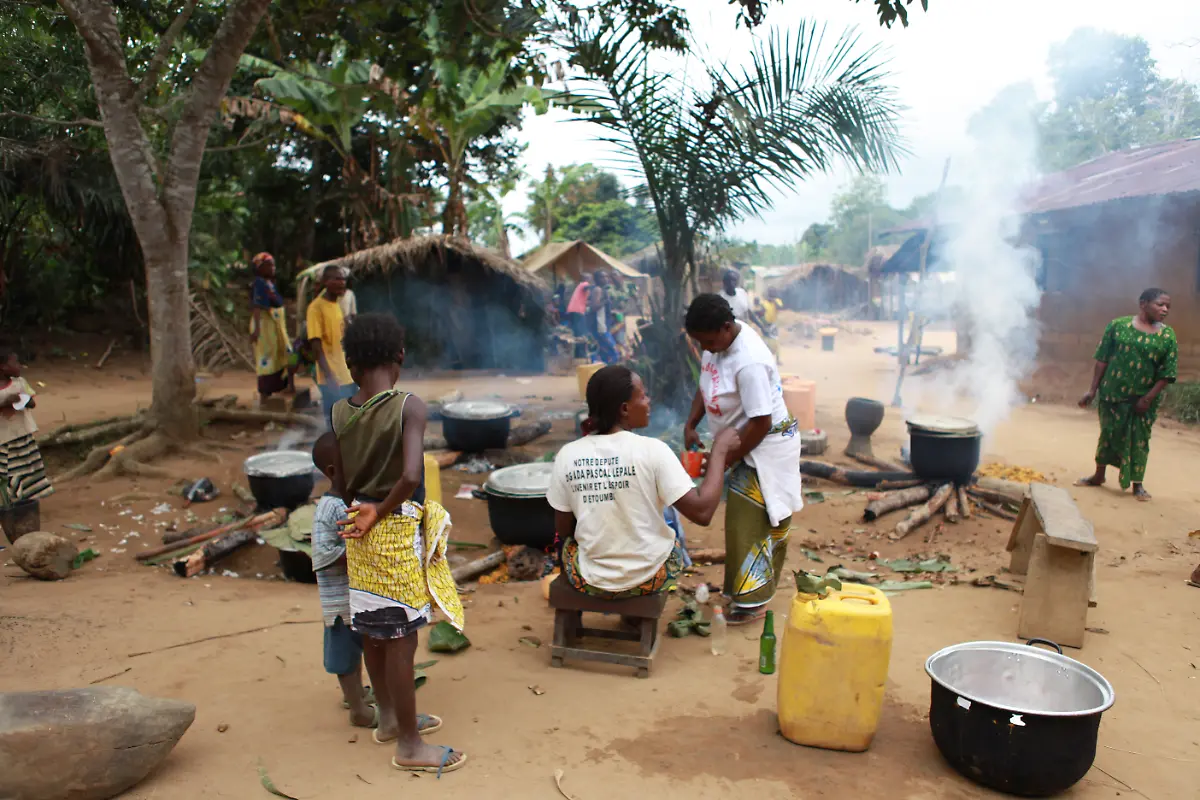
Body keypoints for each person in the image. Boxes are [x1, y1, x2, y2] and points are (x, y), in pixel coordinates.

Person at [333, 313, 466, 776]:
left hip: (358, 529)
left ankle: (389, 718)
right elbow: (411, 475)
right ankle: (410, 745)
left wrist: (363, 508)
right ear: (400, 357)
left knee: (373, 630)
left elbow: (343, 480)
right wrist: (381, 510)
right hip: (391, 529)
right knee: (403, 640)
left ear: (351, 365)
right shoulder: (409, 405)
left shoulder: (339, 411)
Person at [547, 365, 740, 598]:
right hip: (651, 577)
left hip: (590, 580)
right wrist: (719, 452)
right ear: (625, 409)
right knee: (669, 527)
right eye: (643, 395)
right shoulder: (653, 450)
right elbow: (703, 513)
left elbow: (564, 529)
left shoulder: (568, 455)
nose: (648, 401)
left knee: (568, 545)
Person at [684, 294, 803, 626]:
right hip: (743, 439)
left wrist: (724, 460)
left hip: (769, 444)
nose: (705, 348)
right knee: (742, 519)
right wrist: (691, 422)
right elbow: (706, 383)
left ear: (725, 327)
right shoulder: (718, 345)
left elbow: (761, 421)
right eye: (700, 343)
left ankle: (753, 603)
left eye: (708, 341)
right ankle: (742, 591)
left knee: (751, 519)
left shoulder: (748, 361)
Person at [1076, 288, 1177, 501]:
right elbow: (1102, 359)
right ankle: (1099, 475)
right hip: (1112, 394)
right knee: (1108, 433)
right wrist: (1092, 390)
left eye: (1168, 306)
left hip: (1143, 400)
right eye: (1160, 304)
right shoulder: (1117, 326)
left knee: (1139, 439)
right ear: (1143, 304)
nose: (1165, 309)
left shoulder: (1167, 336)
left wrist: (1148, 398)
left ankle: (1137, 485)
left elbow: (1167, 373)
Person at [310, 432, 375, 729]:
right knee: (346, 656)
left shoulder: (350, 501)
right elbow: (324, 554)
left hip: (357, 598)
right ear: (333, 472)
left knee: (361, 647)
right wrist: (364, 553)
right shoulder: (332, 508)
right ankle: (358, 710)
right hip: (341, 603)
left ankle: (356, 695)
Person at [0, 349, 53, 505]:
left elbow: (32, 403)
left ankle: (25, 498)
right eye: (15, 363)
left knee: (26, 468)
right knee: (5, 471)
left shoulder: (20, 383)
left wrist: (21, 399)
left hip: (22, 436)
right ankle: (7, 500)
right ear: (2, 367)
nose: (19, 366)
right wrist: (6, 401)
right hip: (3, 439)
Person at [307, 266, 357, 427]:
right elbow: (316, 346)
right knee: (335, 423)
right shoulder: (316, 308)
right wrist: (330, 377)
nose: (342, 283)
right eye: (337, 279)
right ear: (325, 282)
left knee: (350, 419)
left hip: (346, 375)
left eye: (343, 279)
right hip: (332, 378)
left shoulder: (336, 306)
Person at [250, 253, 293, 404]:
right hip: (265, 326)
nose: (273, 268)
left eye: (274, 265)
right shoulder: (259, 283)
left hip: (274, 326)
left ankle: (277, 389)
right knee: (267, 358)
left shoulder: (270, 284)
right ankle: (264, 394)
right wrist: (256, 330)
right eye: (269, 265)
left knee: (281, 354)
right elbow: (257, 306)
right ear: (260, 268)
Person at [588, 284, 620, 364]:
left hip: (604, 328)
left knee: (603, 352)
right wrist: (605, 301)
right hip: (602, 329)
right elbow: (594, 307)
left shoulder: (605, 301)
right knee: (614, 353)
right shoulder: (601, 299)